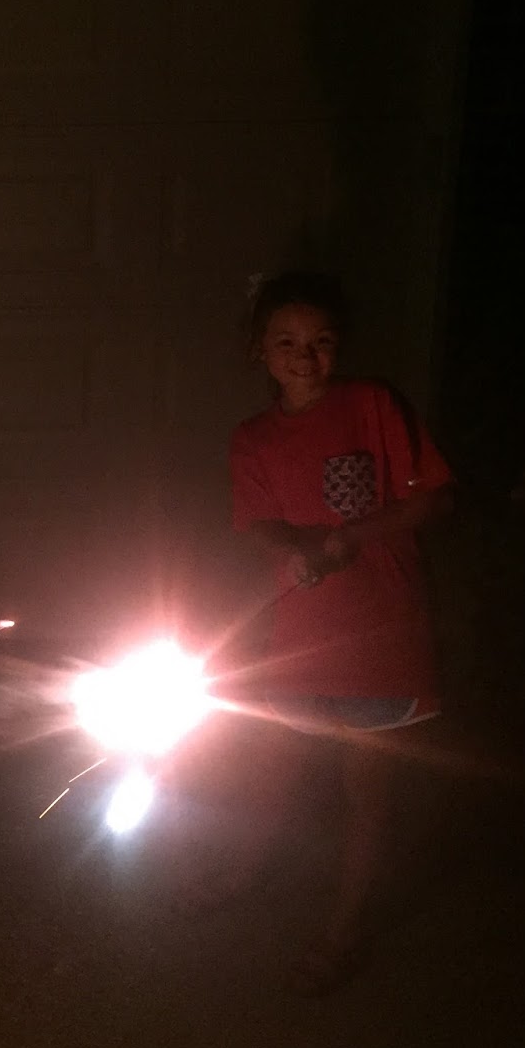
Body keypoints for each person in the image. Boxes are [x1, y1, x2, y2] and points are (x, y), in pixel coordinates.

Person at [212, 270, 453, 993]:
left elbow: (432, 498)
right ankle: (242, 873)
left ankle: (344, 932)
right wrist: (293, 549)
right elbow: (257, 522)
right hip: (301, 638)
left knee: (366, 794)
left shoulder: (372, 405)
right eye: (287, 342)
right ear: (260, 350)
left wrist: (352, 538)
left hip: (380, 635)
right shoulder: (253, 439)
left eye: (320, 342)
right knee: (274, 766)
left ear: (339, 345)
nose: (305, 357)